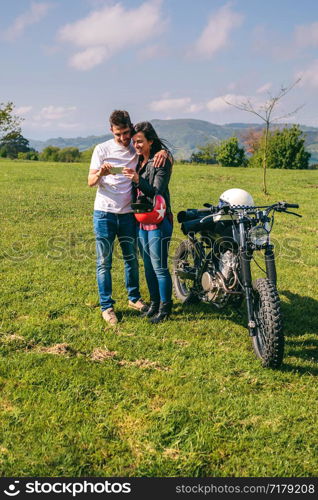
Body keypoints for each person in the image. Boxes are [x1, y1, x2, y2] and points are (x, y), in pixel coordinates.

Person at [88, 110, 167, 326]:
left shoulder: (135, 145)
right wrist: (100, 175)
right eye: (118, 134)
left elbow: (152, 148)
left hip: (128, 214)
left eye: (125, 133)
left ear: (130, 128)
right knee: (104, 262)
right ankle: (107, 307)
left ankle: (134, 298)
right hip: (104, 213)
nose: (123, 138)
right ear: (111, 131)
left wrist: (164, 152)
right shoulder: (101, 149)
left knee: (131, 258)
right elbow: (90, 181)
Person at [123, 122, 173, 324]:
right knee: (148, 267)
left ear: (151, 141)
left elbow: (157, 191)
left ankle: (165, 308)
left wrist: (137, 179)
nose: (136, 145)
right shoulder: (139, 162)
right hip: (141, 220)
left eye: (140, 141)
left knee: (160, 267)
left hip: (159, 219)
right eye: (134, 142)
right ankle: (154, 304)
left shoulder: (160, 161)